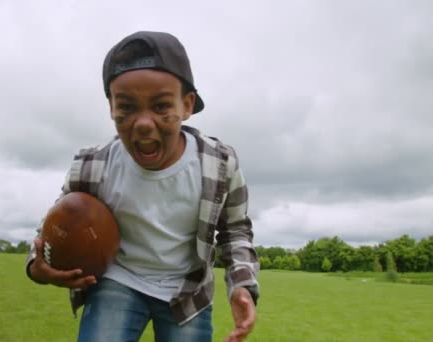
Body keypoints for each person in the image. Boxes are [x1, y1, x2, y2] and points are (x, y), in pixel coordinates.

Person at [26, 31, 259, 342]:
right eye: (127, 107)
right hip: (117, 280)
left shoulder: (218, 164)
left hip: (186, 289)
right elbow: (57, 221)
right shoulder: (93, 165)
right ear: (111, 106)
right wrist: (36, 265)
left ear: (187, 104)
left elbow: (235, 230)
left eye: (162, 106)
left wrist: (242, 284)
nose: (144, 123)